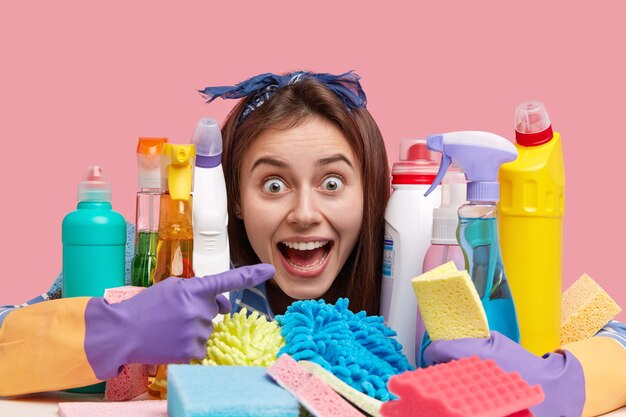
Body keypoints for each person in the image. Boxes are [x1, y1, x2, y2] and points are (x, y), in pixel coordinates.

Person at [1, 70, 625, 417]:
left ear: (371, 195)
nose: (305, 213)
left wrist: (557, 385)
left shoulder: (433, 276)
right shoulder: (169, 271)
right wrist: (113, 331)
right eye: (273, 183)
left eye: (333, 182)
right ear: (236, 200)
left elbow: (617, 339)